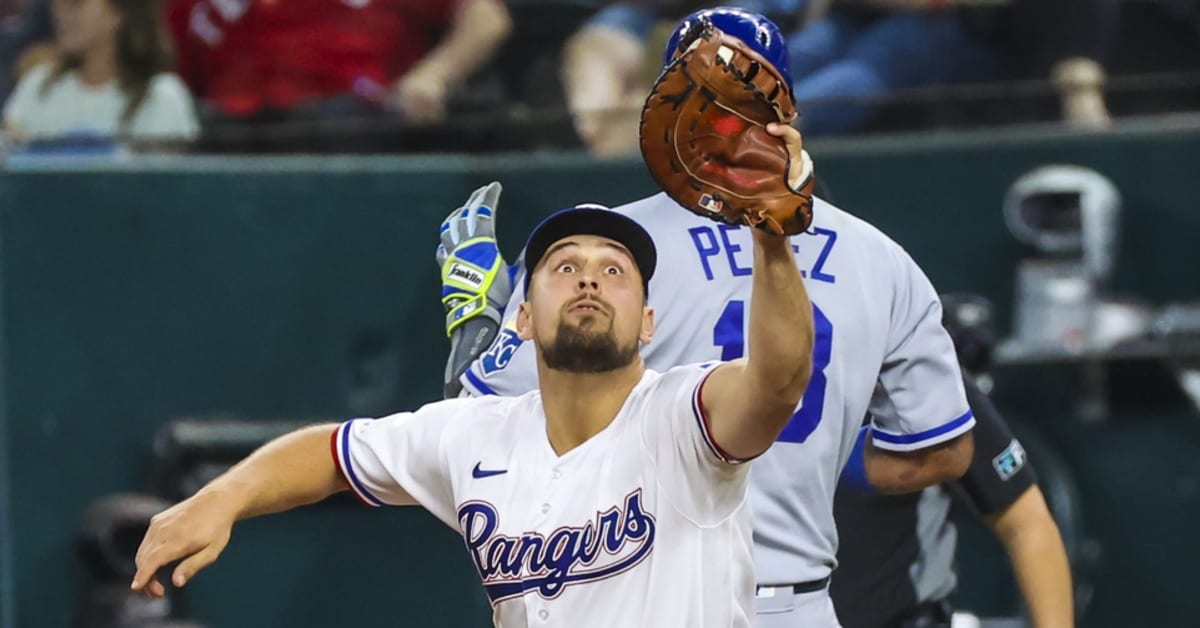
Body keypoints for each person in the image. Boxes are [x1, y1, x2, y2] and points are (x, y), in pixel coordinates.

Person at [439, 8, 975, 625]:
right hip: (797, 603)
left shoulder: (603, 249)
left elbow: (475, 427)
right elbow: (941, 454)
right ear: (787, 114)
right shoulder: (883, 259)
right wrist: (814, 459)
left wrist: (472, 315)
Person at [130, 186, 819, 626]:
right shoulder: (474, 436)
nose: (588, 277)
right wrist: (221, 498)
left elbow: (778, 381)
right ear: (522, 317)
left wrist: (770, 237)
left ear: (647, 323)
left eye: (615, 270)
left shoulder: (683, 418)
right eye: (563, 266)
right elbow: (334, 453)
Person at [2, 0, 197, 146]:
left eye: (77, 3)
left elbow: (169, 191)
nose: (61, 13)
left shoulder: (161, 97)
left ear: (118, 13)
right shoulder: (38, 86)